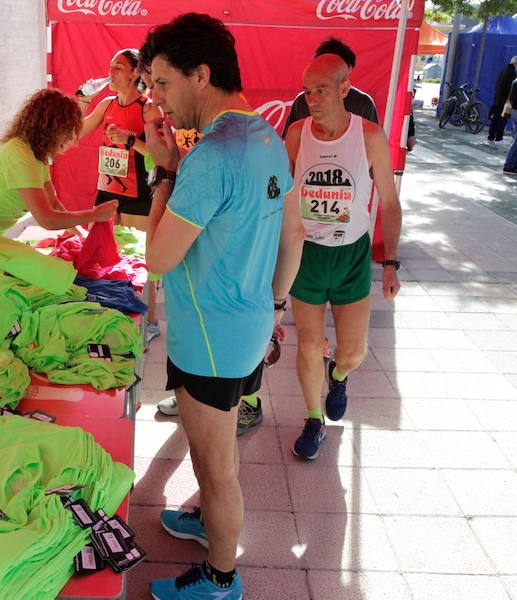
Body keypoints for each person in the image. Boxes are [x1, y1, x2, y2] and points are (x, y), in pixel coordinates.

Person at [139, 13, 304, 599]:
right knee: (220, 445)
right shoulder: (264, 135)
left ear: (200, 75)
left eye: (162, 82)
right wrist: (278, 307)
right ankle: (210, 520)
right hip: (250, 323)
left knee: (216, 466)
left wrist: (164, 171)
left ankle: (220, 578)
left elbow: (158, 258)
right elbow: (294, 236)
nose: (156, 97)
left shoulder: (210, 155)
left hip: (208, 336)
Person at [284, 55, 402, 461]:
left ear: (344, 90)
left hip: (352, 255)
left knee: (353, 351)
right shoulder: (297, 134)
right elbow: (280, 197)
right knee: (309, 344)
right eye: (307, 91)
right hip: (308, 255)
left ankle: (338, 376)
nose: (312, 99)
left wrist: (390, 262)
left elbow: (389, 201)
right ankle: (313, 419)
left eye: (321, 90)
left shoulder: (368, 135)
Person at [0, 88, 116, 277]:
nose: (70, 142)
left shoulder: (37, 156)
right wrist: (93, 215)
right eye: (67, 134)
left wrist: (81, 233)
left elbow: (53, 204)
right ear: (50, 130)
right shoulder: (21, 157)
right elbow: (46, 218)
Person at [78, 49, 164, 342]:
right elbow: (76, 132)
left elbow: (161, 155)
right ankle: (111, 308)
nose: (111, 72)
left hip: (139, 192)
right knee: (102, 254)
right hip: (108, 190)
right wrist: (82, 101)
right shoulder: (106, 104)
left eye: (118, 67)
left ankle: (149, 321)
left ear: (135, 74)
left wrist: (131, 140)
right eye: (110, 66)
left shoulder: (149, 109)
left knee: (141, 260)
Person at [280, 37, 379, 138]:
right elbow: (288, 143)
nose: (313, 101)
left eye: (335, 66)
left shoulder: (364, 103)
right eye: (308, 92)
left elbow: (371, 144)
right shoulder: (301, 101)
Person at [488, 55, 517, 146]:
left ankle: (491, 136)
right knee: (502, 119)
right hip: (504, 100)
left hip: (497, 98)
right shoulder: (512, 73)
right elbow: (509, 88)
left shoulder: (503, 70)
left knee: (495, 118)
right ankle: (499, 137)